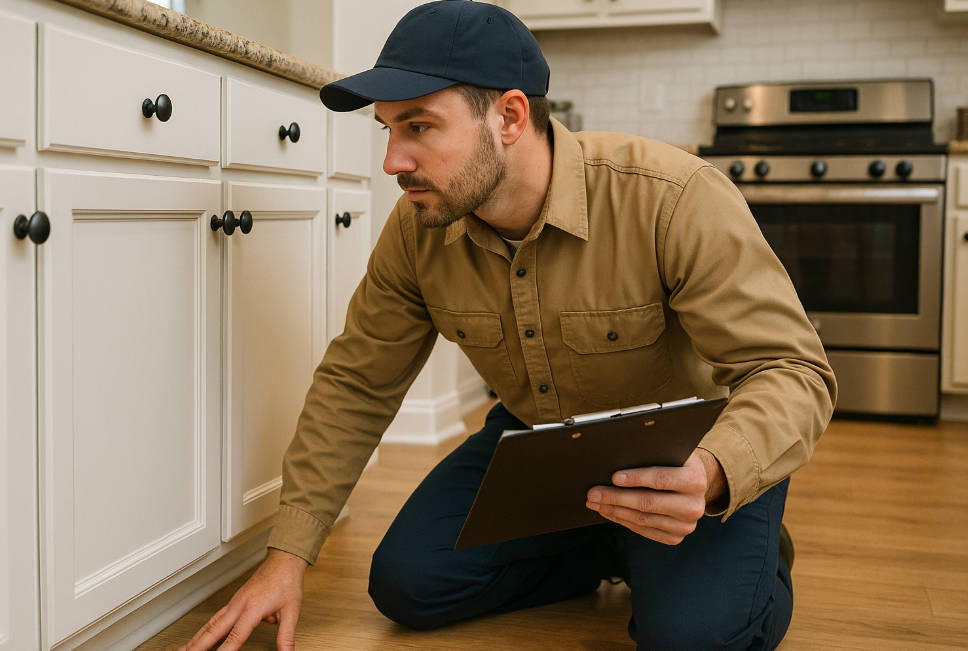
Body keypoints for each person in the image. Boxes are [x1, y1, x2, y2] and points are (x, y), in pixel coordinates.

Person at [179, 2, 836, 649]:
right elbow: (357, 381)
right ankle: (615, 543)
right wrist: (286, 557)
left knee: (693, 636)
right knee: (409, 583)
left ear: (511, 116)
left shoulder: (670, 198)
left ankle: (740, 552)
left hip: (686, 456)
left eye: (420, 127)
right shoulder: (416, 232)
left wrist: (718, 471)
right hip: (542, 444)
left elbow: (794, 370)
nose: (393, 162)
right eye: (388, 131)